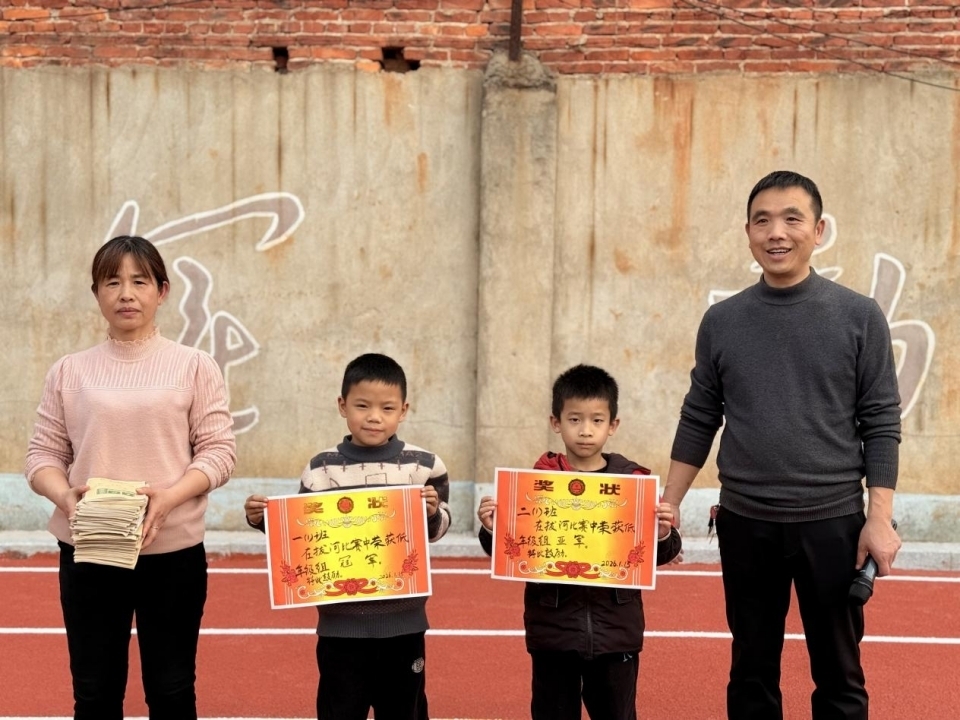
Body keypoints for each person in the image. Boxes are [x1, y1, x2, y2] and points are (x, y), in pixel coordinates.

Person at [662, 170, 903, 720]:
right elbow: (700, 415)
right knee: (751, 671)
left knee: (840, 675)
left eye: (792, 219)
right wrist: (669, 505)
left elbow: (880, 420)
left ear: (818, 231)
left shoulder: (859, 316)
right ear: (747, 232)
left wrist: (878, 516)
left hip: (834, 522)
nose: (777, 232)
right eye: (762, 220)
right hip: (746, 522)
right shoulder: (722, 321)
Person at [24, 235, 237, 720]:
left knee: (172, 689)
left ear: (162, 291)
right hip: (89, 548)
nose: (126, 294)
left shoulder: (194, 365)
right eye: (112, 282)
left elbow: (219, 452)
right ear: (96, 293)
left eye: (140, 281)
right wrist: (66, 498)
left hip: (172, 551)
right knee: (94, 693)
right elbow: (42, 456)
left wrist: (170, 497)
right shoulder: (68, 371)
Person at [244, 352, 451, 720]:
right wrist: (263, 519)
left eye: (387, 408)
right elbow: (303, 536)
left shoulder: (425, 465)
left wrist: (432, 513)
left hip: (404, 623)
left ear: (403, 411)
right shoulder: (320, 468)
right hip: (340, 626)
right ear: (342, 405)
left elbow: (438, 530)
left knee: (404, 712)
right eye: (362, 405)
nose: (374, 417)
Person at [477, 364, 681, 720]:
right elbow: (509, 552)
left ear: (612, 425)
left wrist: (663, 532)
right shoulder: (536, 484)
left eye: (597, 420)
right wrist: (494, 528)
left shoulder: (632, 483)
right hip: (553, 630)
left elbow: (658, 554)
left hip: (616, 630)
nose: (585, 430)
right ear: (556, 422)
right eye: (574, 419)